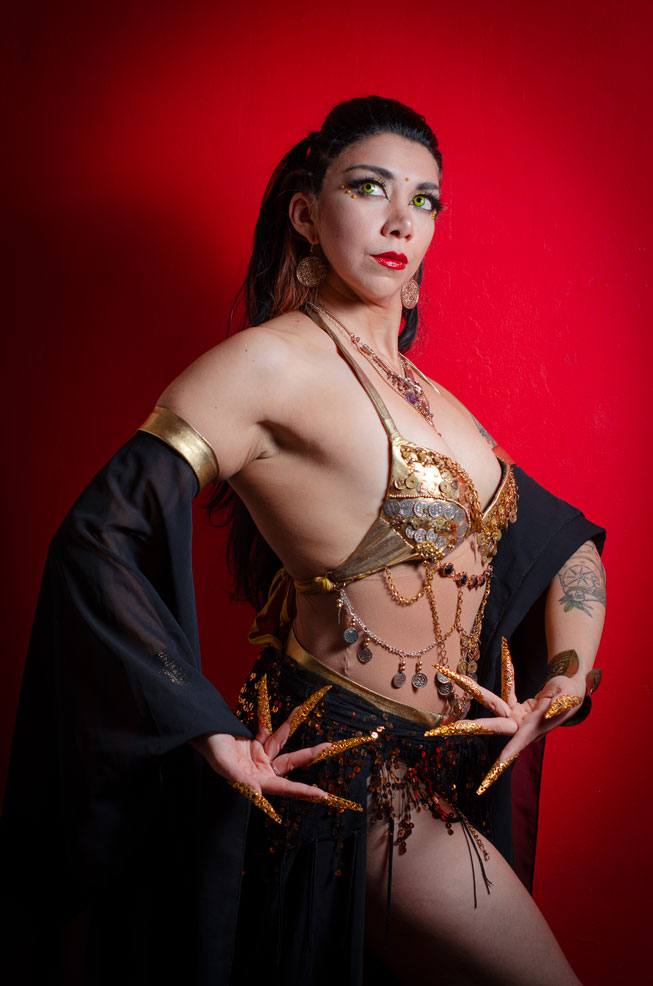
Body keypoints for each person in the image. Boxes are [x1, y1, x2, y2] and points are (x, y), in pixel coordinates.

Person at [1, 97, 606, 986]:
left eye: (425, 200)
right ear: (304, 213)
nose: (401, 220)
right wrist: (201, 726)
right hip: (356, 777)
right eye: (368, 188)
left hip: (447, 771)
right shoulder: (267, 365)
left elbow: (563, 548)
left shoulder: (437, 403)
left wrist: (564, 679)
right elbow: (99, 536)